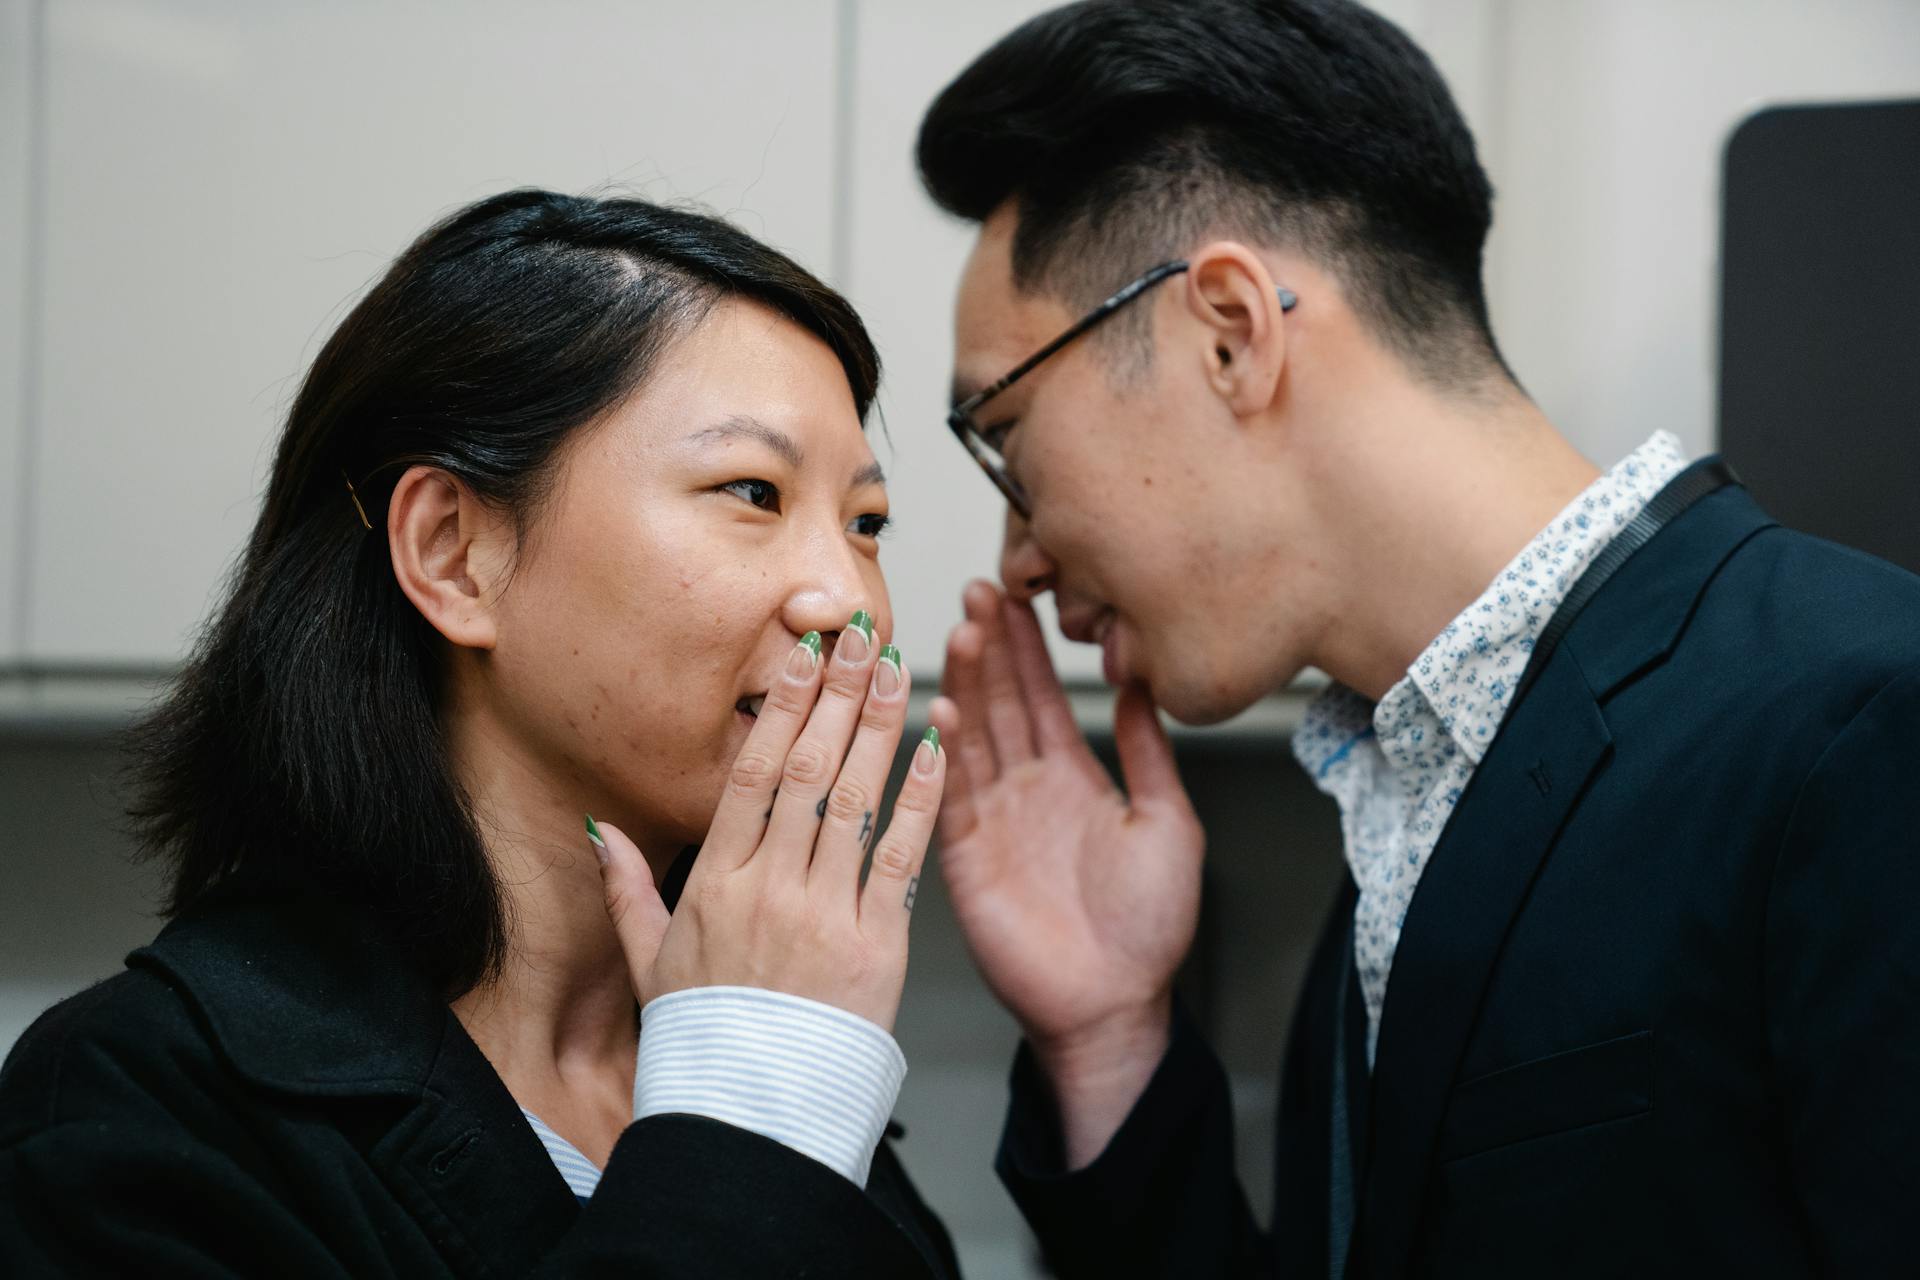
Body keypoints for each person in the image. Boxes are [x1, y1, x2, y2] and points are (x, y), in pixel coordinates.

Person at [912, 1, 1920, 1276]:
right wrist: (1108, 1039)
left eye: (1005, 437)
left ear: (1230, 329)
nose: (1019, 555)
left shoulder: (1864, 723)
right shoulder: (1408, 796)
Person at [0, 189, 959, 1277]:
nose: (847, 596)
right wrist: (742, 1114)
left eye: (867, 522)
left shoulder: (763, 1026)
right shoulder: (129, 1110)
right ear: (454, 553)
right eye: (752, 489)